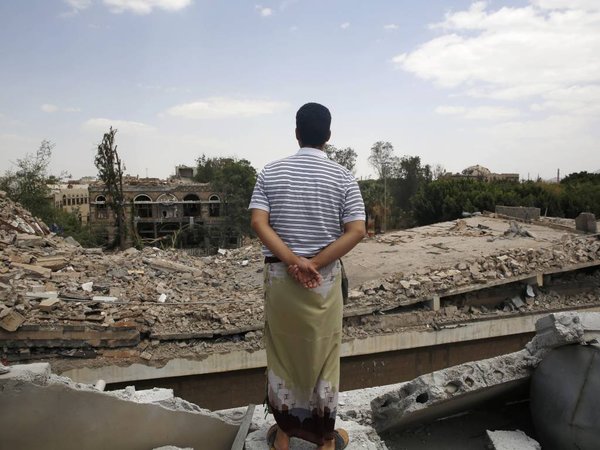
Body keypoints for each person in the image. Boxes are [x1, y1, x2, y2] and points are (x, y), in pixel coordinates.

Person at [249, 102, 366, 450]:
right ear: (328, 136)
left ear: (297, 133)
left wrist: (292, 261)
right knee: (324, 358)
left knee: (283, 355)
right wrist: (314, 263)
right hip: (324, 283)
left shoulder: (270, 173)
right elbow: (357, 230)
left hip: (282, 280)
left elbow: (258, 222)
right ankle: (325, 441)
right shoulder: (343, 177)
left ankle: (284, 435)